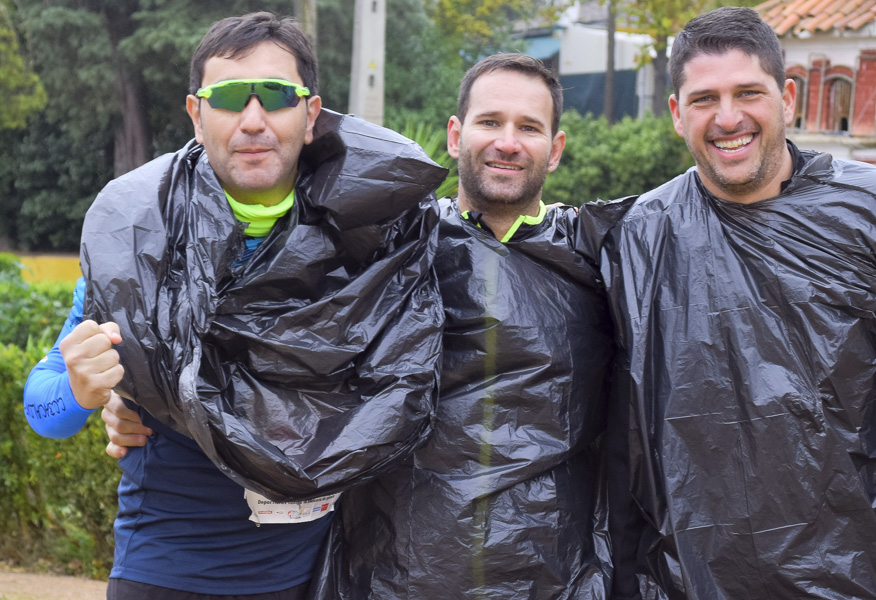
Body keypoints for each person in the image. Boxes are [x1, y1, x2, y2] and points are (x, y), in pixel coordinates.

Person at [104, 53, 615, 599]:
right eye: (490, 122)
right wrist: (140, 393)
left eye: (529, 127)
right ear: (454, 134)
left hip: (549, 579)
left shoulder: (595, 260)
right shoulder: (374, 249)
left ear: (555, 149)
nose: (507, 142)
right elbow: (262, 343)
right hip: (391, 578)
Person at [582, 7, 876, 600]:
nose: (728, 118)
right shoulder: (638, 238)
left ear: (786, 98)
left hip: (872, 568)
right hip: (692, 580)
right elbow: (626, 433)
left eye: (748, 92)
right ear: (677, 114)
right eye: (704, 99)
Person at [24, 12, 444, 600]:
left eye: (276, 96)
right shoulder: (138, 243)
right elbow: (41, 410)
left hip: (312, 576)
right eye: (227, 99)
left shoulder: (375, 242)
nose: (252, 121)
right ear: (196, 114)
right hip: (166, 573)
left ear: (311, 113)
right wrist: (81, 391)